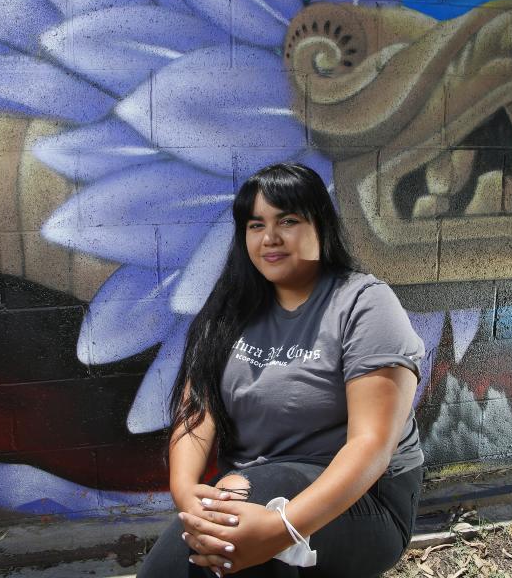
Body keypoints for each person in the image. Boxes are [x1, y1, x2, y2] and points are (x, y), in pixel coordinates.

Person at [138, 162, 425, 577]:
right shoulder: (229, 311)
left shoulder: (364, 304)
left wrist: (281, 528)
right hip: (254, 486)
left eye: (287, 220)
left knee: (242, 538)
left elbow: (372, 444)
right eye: (256, 225)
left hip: (364, 501)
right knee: (205, 552)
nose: (269, 237)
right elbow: (197, 410)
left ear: (320, 225)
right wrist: (188, 497)